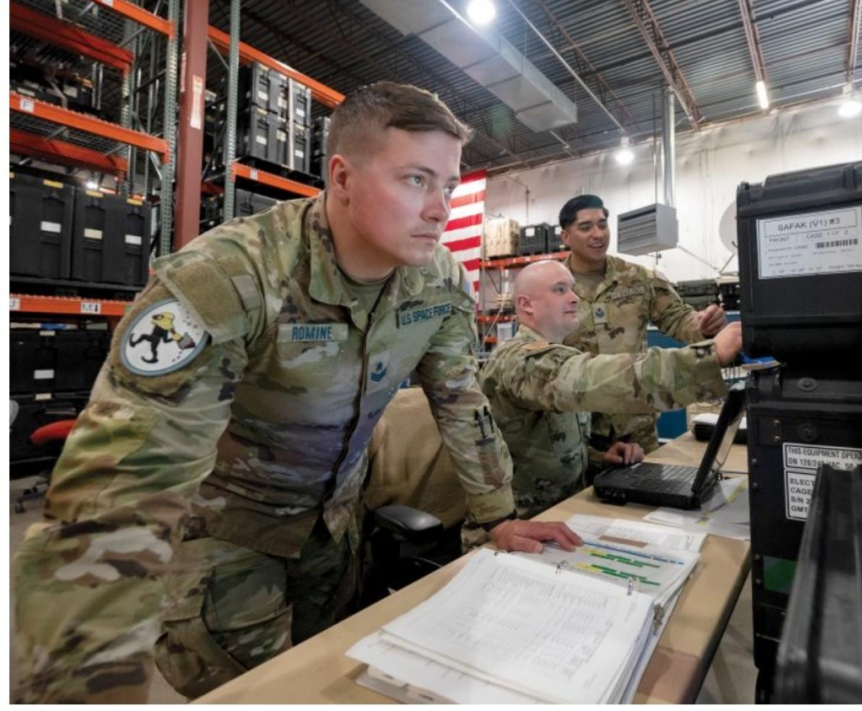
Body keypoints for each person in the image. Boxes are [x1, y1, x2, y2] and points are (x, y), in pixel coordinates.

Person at [11, 82, 581, 704]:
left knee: (329, 685)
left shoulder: (439, 279)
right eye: (416, 180)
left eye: (447, 186)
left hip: (338, 529)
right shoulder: (232, 274)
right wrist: (79, 685)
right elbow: (122, 483)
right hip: (230, 535)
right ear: (342, 177)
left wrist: (496, 516)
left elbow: (459, 399)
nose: (440, 209)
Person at [480, 261, 743, 517]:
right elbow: (606, 380)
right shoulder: (520, 361)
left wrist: (598, 458)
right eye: (560, 290)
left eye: (572, 289)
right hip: (525, 523)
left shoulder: (556, 353)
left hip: (564, 509)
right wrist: (709, 356)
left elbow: (542, 446)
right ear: (526, 304)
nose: (574, 298)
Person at [559, 195, 728, 460]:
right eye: (585, 227)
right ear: (566, 236)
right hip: (579, 430)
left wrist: (704, 325)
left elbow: (677, 318)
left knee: (647, 484)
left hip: (637, 425)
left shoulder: (638, 279)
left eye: (602, 225)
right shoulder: (552, 287)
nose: (598, 234)